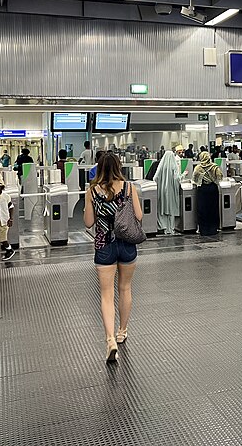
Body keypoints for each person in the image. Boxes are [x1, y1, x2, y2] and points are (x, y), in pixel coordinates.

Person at [84, 153, 143, 362]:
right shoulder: (129, 188)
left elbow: (88, 222)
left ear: (99, 168)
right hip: (126, 244)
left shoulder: (92, 191)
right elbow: (139, 216)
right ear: (119, 166)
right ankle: (122, 331)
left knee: (106, 294)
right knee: (125, 288)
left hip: (104, 245)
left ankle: (110, 340)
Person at [193, 152, 223, 236]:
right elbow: (220, 177)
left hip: (203, 190)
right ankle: (213, 229)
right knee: (213, 209)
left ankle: (203, 230)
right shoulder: (215, 167)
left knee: (203, 209)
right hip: (213, 189)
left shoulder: (198, 168)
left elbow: (194, 179)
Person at [153, 151, 181, 235]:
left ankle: (163, 227)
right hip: (171, 191)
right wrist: (183, 175)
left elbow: (155, 178)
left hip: (162, 191)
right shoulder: (174, 166)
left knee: (163, 208)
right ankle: (170, 229)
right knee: (171, 210)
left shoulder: (161, 167)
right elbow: (177, 179)